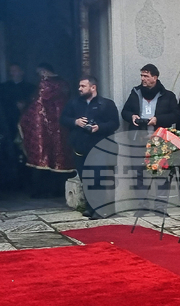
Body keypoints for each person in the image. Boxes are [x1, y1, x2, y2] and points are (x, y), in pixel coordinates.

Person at [59, 77, 119, 219]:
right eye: (79, 86)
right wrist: (76, 122)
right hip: (80, 147)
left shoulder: (106, 104)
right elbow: (63, 119)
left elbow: (114, 123)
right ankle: (89, 207)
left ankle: (99, 209)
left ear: (93, 87)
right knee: (85, 178)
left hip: (100, 146)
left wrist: (99, 127)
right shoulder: (73, 103)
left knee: (98, 178)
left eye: (83, 86)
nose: (79, 88)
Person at [19, 65, 74, 197]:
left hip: (44, 129)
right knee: (59, 156)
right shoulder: (65, 84)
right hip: (62, 127)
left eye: (40, 73)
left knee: (43, 156)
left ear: (44, 71)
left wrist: (23, 117)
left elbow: (37, 106)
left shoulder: (45, 84)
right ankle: (58, 190)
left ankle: (42, 191)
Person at [121, 64, 180, 133]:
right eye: (141, 76)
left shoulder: (168, 96)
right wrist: (132, 117)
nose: (142, 79)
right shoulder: (135, 93)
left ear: (154, 78)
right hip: (137, 136)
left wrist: (157, 120)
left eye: (146, 76)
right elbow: (125, 112)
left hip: (160, 139)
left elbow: (176, 116)